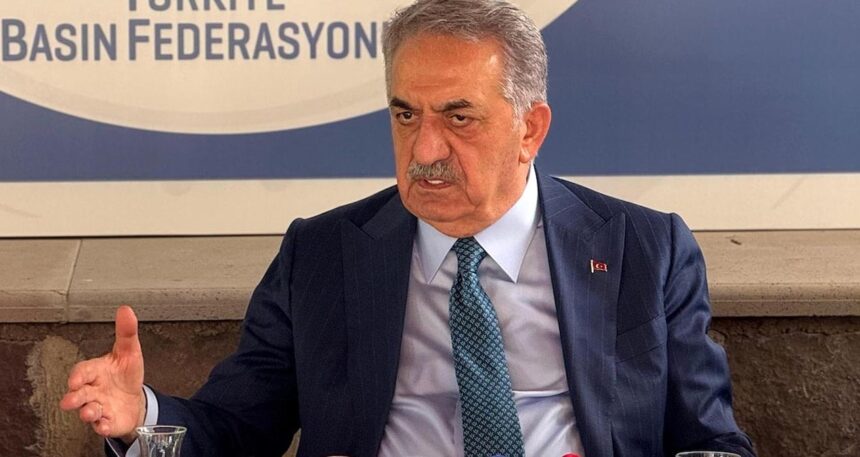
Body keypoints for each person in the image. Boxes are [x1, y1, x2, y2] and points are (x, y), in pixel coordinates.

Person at [60, 1, 757, 456]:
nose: (424, 149)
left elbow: (712, 441)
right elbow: (235, 429)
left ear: (530, 129)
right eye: (405, 115)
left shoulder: (643, 249)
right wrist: (143, 416)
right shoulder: (322, 255)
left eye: (458, 117)